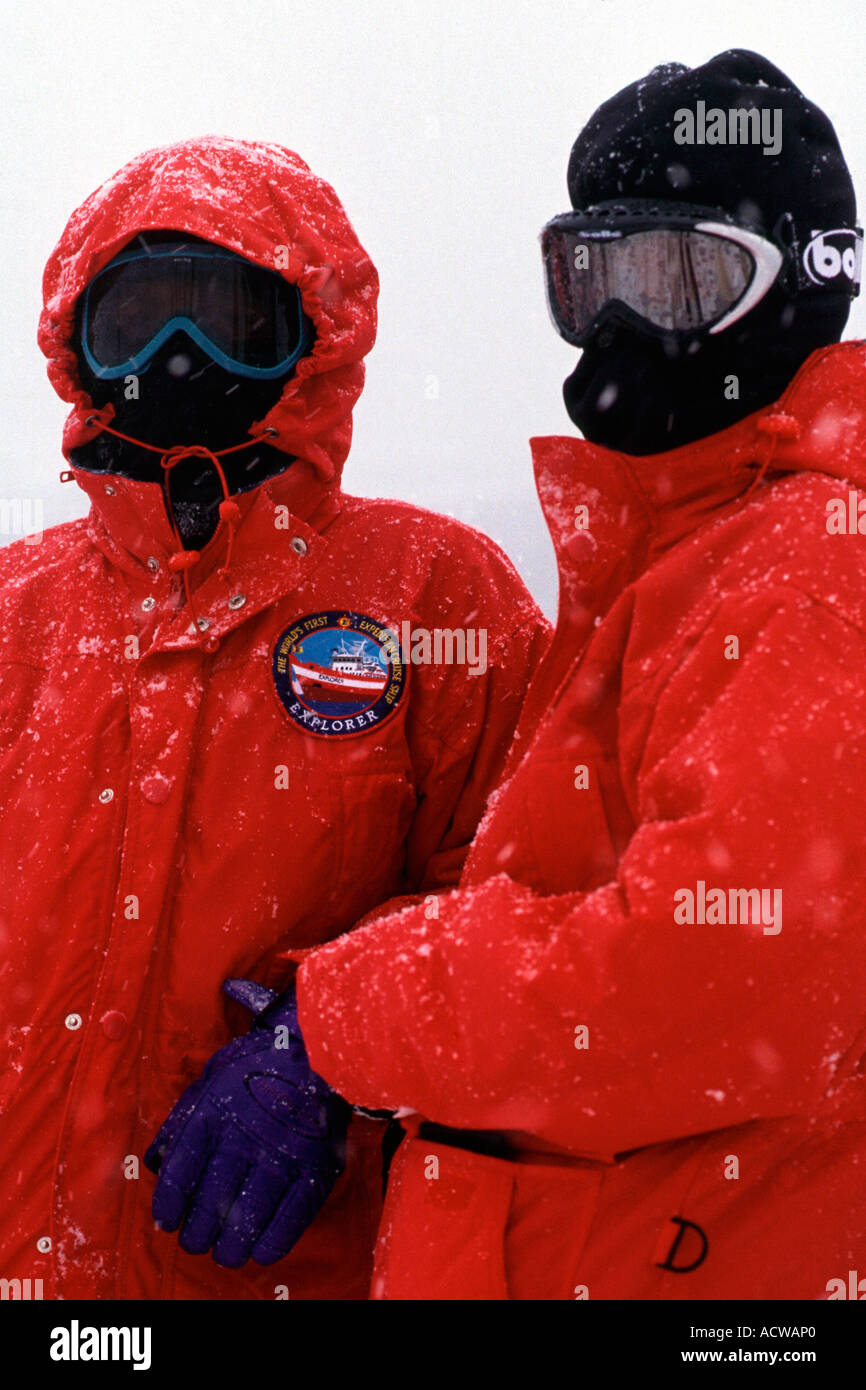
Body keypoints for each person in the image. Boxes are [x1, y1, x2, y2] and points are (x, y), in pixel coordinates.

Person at [284, 51, 866, 1299]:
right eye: (590, 275)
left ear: (807, 283)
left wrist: (342, 1017)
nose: (618, 326)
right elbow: (554, 888)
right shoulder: (678, 561)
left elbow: (714, 968)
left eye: (678, 277)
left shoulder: (807, 570)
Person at [0, 135, 550, 1301]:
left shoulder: (432, 594)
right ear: (76, 347)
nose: (178, 357)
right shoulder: (17, 611)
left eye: (228, 319)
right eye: (140, 321)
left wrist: (322, 1043)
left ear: (317, 337)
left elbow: (533, 892)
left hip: (297, 1267)